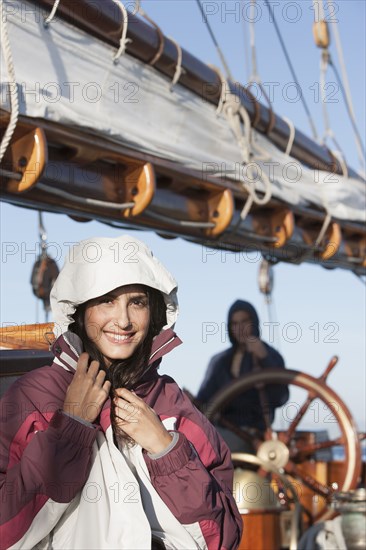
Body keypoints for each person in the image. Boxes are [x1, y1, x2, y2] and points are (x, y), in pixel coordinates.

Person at [0, 235, 242, 550]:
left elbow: (222, 539)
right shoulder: (33, 398)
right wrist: (71, 427)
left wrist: (166, 451)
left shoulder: (174, 406)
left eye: (137, 302)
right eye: (107, 300)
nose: (124, 320)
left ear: (153, 312)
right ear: (80, 309)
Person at [196, 300, 289, 451]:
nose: (239, 328)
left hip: (253, 436)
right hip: (220, 430)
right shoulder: (220, 361)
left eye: (245, 321)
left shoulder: (270, 355)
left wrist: (265, 359)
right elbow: (205, 400)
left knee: (205, 446)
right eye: (234, 323)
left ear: (254, 322)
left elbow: (281, 396)